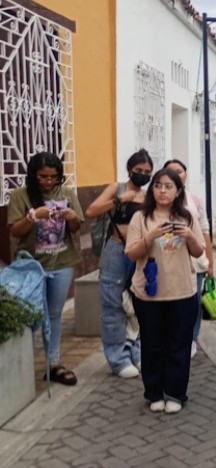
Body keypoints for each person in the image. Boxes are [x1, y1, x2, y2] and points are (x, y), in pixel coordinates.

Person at [125, 169, 205, 414]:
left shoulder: (187, 216)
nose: (162, 190)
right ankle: (154, 393)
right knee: (152, 344)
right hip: (149, 293)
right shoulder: (140, 217)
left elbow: (198, 251)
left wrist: (189, 235)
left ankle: (176, 393)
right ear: (152, 189)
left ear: (178, 191)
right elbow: (132, 254)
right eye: (158, 185)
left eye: (169, 186)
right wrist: (150, 236)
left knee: (179, 345)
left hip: (182, 291)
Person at [8, 152, 84, 386]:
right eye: (43, 176)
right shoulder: (20, 195)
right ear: (33, 175)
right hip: (31, 267)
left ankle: (53, 363)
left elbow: (76, 227)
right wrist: (33, 217)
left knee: (54, 315)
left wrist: (72, 217)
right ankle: (24, 365)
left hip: (62, 263)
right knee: (30, 314)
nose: (49, 181)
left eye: (53, 177)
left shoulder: (67, 193)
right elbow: (15, 231)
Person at [85, 149, 153, 378]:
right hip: (116, 250)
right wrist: (119, 200)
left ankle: (138, 353)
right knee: (112, 304)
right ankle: (118, 358)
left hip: (141, 252)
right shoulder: (118, 188)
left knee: (140, 303)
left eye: (147, 172)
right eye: (139, 170)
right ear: (129, 170)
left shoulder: (149, 195)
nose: (143, 174)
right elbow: (91, 210)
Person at [162, 159, 214, 359]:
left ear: (185, 174)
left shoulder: (195, 200)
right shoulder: (160, 200)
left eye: (180, 171)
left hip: (194, 261)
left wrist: (210, 263)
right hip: (168, 261)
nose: (176, 175)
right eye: (171, 171)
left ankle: (191, 339)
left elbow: (205, 232)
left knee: (194, 303)